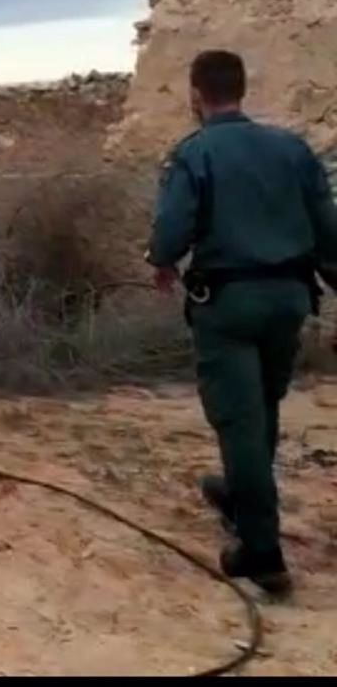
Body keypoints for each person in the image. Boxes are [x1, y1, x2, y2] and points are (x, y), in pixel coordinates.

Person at [146, 49, 337, 597]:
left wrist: (162, 261)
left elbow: (172, 228)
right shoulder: (292, 148)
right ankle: (236, 490)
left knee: (238, 419)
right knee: (264, 405)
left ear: (195, 92)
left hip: (229, 302)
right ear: (242, 88)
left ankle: (262, 549)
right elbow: (327, 225)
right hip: (291, 298)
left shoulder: (195, 152)